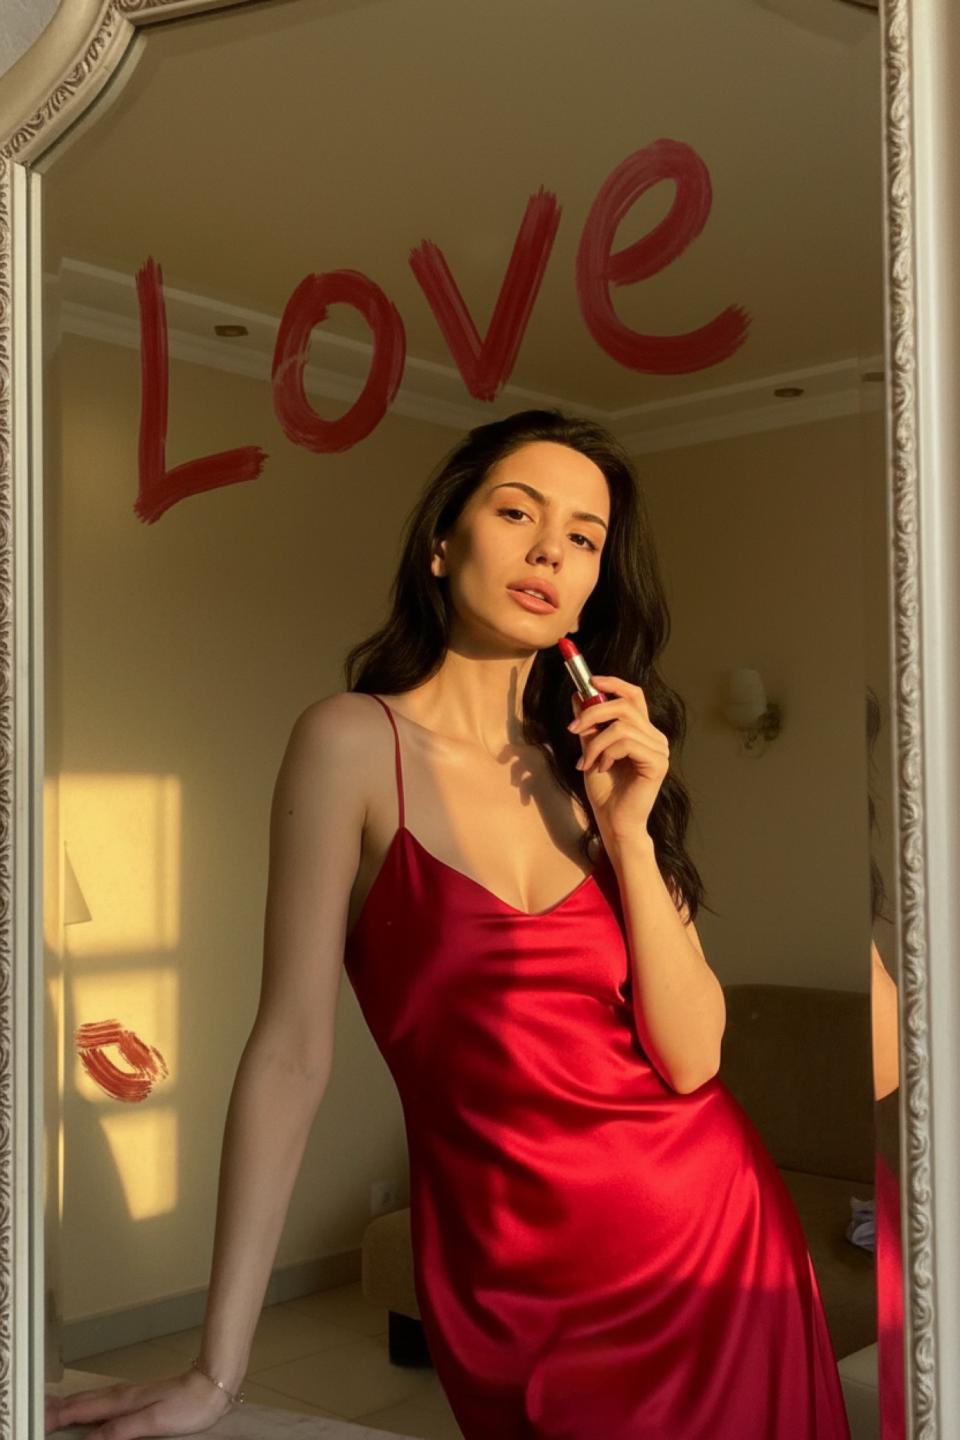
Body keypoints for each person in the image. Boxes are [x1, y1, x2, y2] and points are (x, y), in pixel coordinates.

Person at [46, 409, 851, 1439]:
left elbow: (693, 1060)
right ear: (441, 541)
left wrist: (630, 836)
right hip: (509, 1281)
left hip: (716, 1249)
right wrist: (217, 1372)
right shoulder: (350, 744)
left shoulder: (602, 773)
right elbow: (290, 1054)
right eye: (517, 512)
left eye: (584, 537)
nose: (549, 550)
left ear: (594, 583)